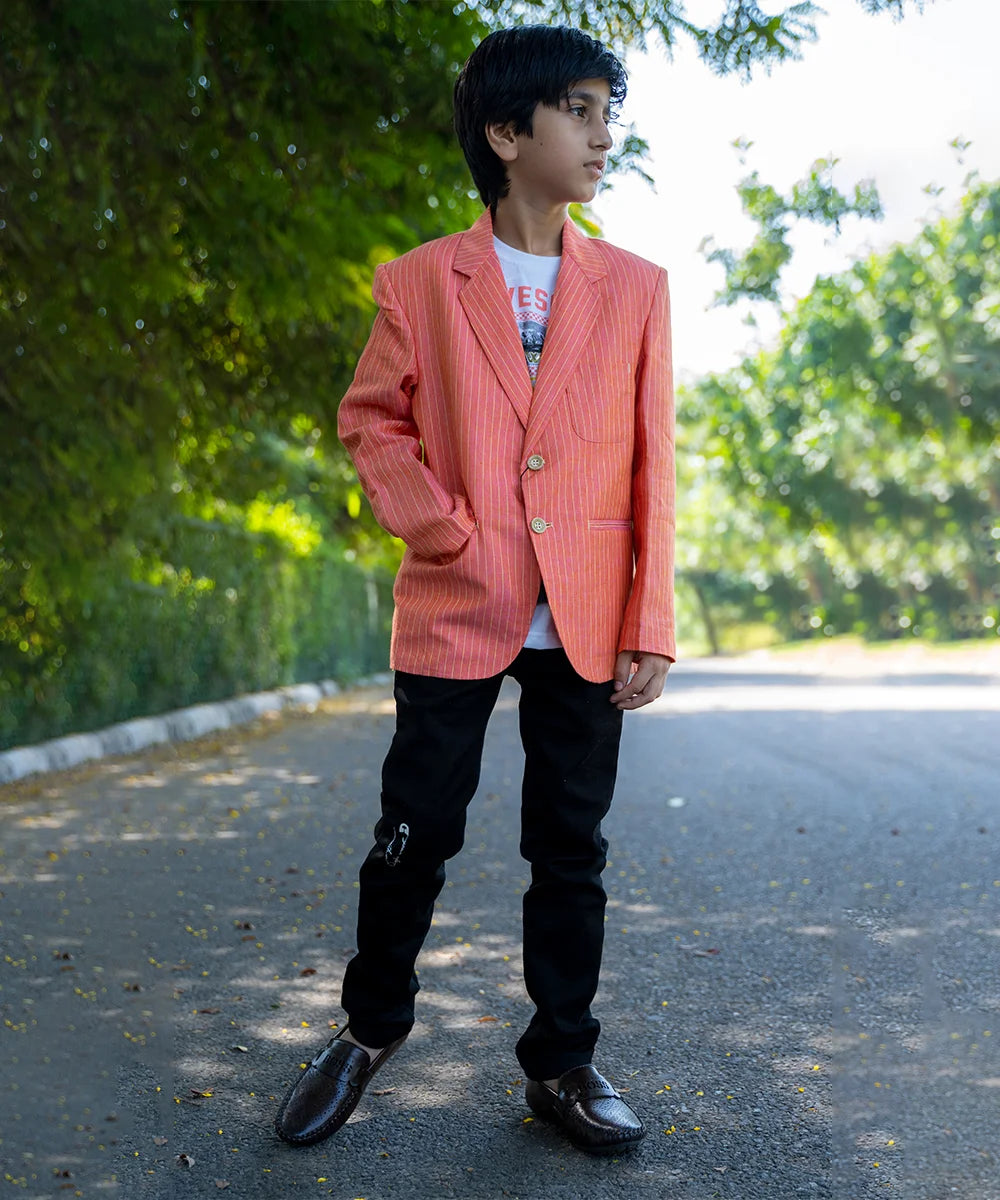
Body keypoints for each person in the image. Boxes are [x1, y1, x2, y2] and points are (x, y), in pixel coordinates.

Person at [275, 23, 675, 1157]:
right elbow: (372, 420)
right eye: (579, 111)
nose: (603, 135)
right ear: (507, 133)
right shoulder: (421, 281)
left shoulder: (637, 288)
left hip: (587, 613)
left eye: (607, 113)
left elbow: (654, 462)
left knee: (571, 848)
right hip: (457, 601)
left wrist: (648, 617)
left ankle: (562, 1061)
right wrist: (438, 526)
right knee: (414, 829)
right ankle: (368, 1030)